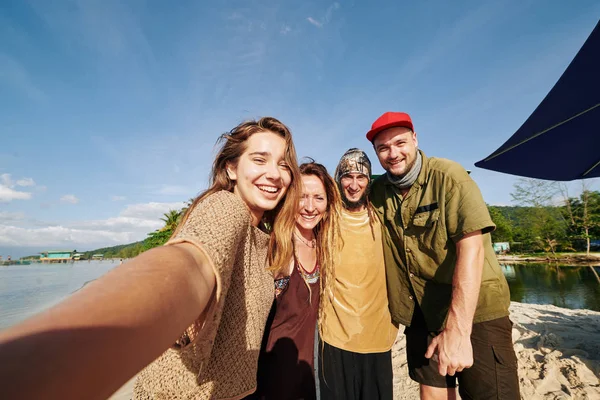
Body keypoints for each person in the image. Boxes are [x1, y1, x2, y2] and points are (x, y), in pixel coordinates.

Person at [0, 117, 302, 400]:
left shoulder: (263, 237)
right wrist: (54, 357)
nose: (274, 173)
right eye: (259, 159)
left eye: (283, 164)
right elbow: (193, 263)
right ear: (231, 168)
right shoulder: (225, 208)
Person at [367, 112, 520, 399]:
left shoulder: (449, 176)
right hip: (422, 310)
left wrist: (458, 332)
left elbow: (472, 249)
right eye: (383, 148)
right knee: (433, 391)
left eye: (400, 143)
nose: (393, 153)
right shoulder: (377, 192)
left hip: (475, 313)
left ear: (415, 139)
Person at [251, 161, 343, 400]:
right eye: (302, 197)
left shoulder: (326, 246)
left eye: (319, 198)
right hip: (273, 376)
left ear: (328, 204)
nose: (310, 207)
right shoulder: (275, 246)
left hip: (311, 372)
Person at [318, 148, 398, 400]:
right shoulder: (324, 218)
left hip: (377, 333)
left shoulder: (383, 216)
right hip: (334, 334)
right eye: (347, 177)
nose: (353, 185)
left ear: (369, 181)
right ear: (338, 179)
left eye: (360, 177)